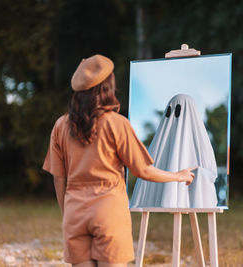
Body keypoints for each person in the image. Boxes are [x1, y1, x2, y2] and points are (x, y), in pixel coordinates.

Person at [42, 54, 195, 267]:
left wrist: (67, 215)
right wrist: (178, 176)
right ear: (107, 87)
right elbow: (143, 170)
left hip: (74, 212)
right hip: (108, 211)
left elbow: (59, 179)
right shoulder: (116, 123)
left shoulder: (61, 125)